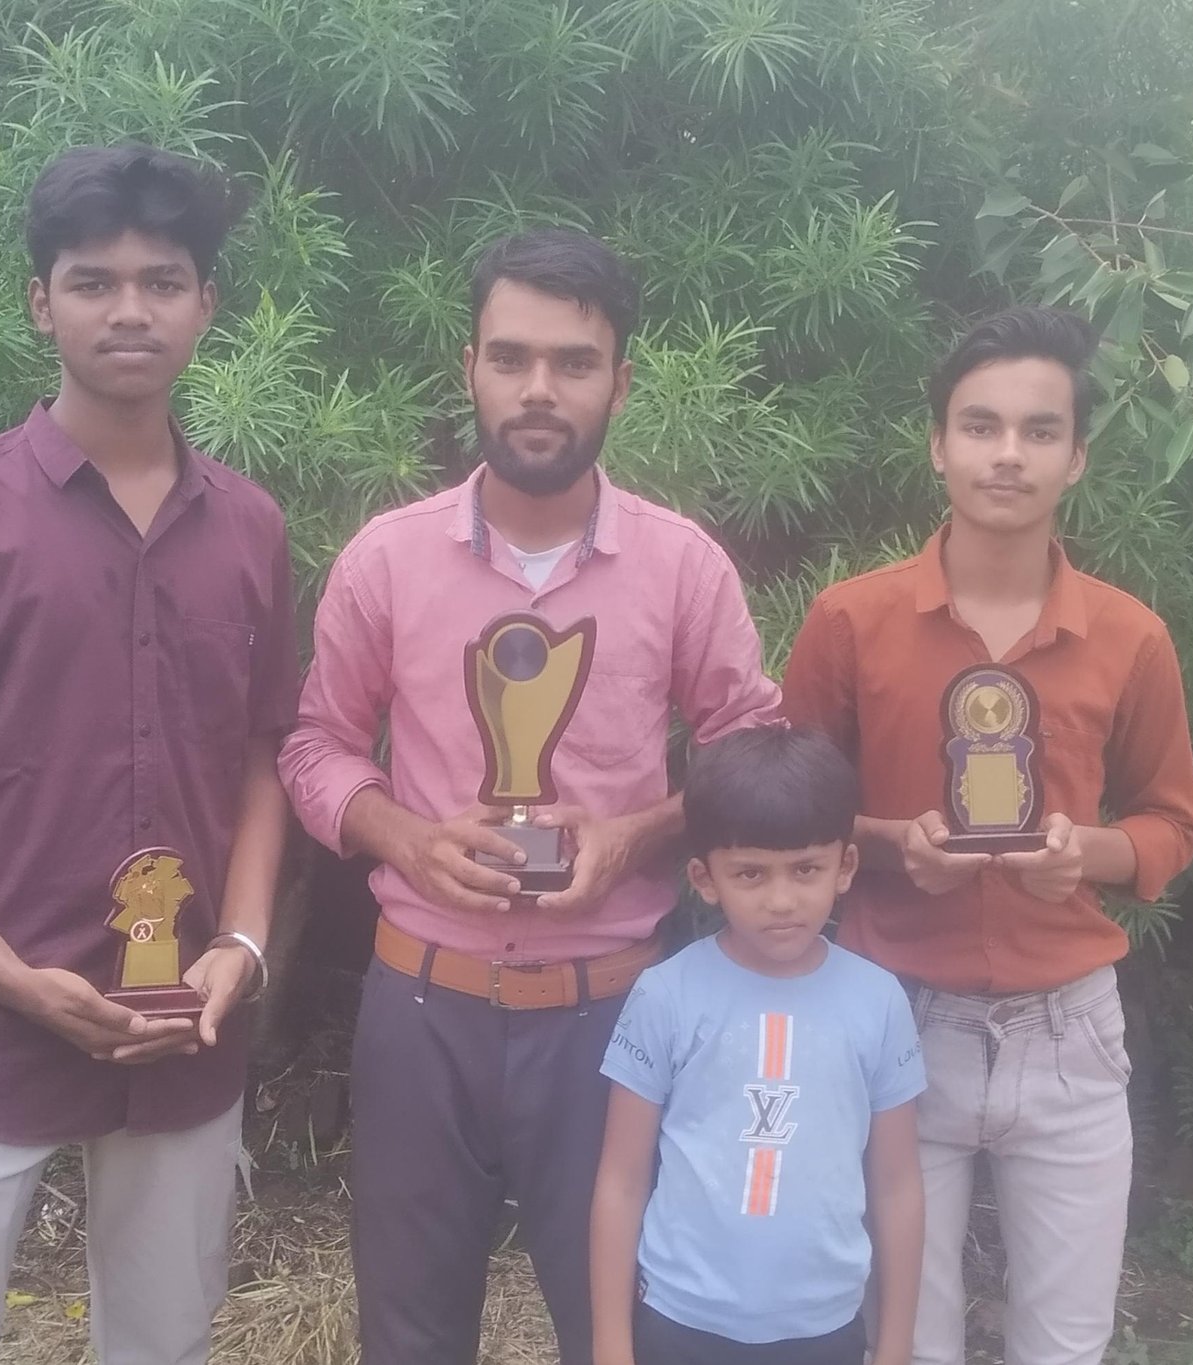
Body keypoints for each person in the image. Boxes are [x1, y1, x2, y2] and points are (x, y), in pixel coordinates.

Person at [0, 143, 298, 1365]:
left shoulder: (250, 528)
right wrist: (7, 975)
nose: (130, 309)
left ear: (206, 304)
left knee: (165, 1340)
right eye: (93, 281)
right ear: (41, 302)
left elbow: (261, 755)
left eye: (162, 280)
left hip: (185, 1024)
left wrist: (241, 947)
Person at [278, 226, 783, 1365]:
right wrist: (405, 838)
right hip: (421, 1007)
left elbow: (752, 752)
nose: (539, 389)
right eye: (510, 358)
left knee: (624, 1333)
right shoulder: (387, 560)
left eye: (573, 361)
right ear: (469, 369)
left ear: (621, 382)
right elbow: (314, 747)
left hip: (618, 1017)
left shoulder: (682, 566)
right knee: (409, 1336)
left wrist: (637, 836)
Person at [779, 306, 1193, 1365]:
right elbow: (786, 812)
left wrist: (1086, 853)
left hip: (1070, 1033)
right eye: (980, 426)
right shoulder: (851, 620)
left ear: (1076, 458)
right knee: (902, 1342)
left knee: (1064, 1346)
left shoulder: (1130, 636)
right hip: (892, 1014)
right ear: (937, 446)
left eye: (1038, 430)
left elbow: (1172, 822)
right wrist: (891, 843)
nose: (1007, 453)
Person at [590, 725, 925, 1365]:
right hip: (679, 1320)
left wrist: (895, 1348)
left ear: (845, 867)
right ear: (704, 878)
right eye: (750, 873)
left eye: (806, 869)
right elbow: (621, 1180)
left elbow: (897, 1186)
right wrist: (611, 1345)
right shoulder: (666, 995)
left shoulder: (878, 1002)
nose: (781, 900)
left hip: (823, 1327)